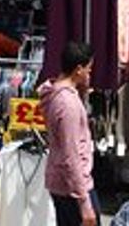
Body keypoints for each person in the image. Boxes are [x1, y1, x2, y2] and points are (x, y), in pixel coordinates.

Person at [39, 41, 98, 226]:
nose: (90, 73)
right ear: (78, 69)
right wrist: (84, 202)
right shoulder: (67, 104)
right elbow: (70, 155)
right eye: (89, 69)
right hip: (73, 187)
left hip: (65, 184)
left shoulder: (57, 94)